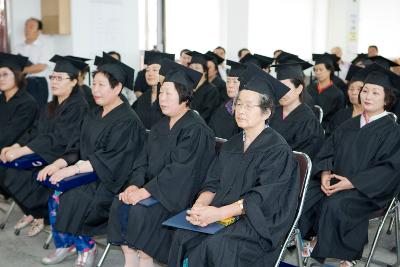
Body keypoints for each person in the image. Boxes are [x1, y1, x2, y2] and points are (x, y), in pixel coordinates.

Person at [168, 63, 300, 267]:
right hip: (224, 211)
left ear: (266, 112)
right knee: (182, 235)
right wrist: (200, 206)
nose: (241, 110)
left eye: (249, 106)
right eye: (238, 104)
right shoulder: (233, 144)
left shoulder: (277, 150)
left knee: (216, 246)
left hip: (257, 224)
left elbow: (262, 199)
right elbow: (213, 182)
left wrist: (218, 213)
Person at [37, 53, 145, 267]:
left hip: (111, 180)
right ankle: (66, 243)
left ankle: (86, 247)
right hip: (88, 173)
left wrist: (73, 170)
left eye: (101, 85)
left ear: (117, 88)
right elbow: (76, 145)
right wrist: (58, 165)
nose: (95, 90)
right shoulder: (94, 113)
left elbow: (113, 160)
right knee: (56, 191)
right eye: (93, 84)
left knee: (72, 196)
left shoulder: (127, 121)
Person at [107, 59, 216, 266]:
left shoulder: (196, 130)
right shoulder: (159, 126)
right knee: (119, 202)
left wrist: (145, 192)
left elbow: (180, 172)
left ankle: (145, 260)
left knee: (141, 210)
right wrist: (134, 185)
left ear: (184, 96)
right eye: (161, 91)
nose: (162, 99)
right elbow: (142, 161)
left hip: (179, 195)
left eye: (168, 93)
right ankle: (130, 260)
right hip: (153, 190)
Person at [298, 63, 400, 267]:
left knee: (338, 203)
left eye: (375, 92)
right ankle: (311, 238)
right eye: (365, 91)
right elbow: (328, 151)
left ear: (387, 98)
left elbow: (389, 170)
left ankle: (348, 256)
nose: (367, 96)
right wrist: (326, 173)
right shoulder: (349, 125)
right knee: (309, 194)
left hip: (370, 189)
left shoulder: (392, 131)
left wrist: (352, 182)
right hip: (338, 181)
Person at [0, 55, 88, 237]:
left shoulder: (78, 106)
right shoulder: (51, 105)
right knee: (9, 170)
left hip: (65, 157)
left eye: (59, 78)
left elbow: (57, 139)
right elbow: (34, 131)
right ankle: (35, 213)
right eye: (52, 77)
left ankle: (40, 214)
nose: (54, 82)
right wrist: (15, 146)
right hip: (44, 152)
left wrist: (21, 152)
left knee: (15, 174)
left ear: (73, 82)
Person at [269, 54, 324, 159]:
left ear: (299, 89)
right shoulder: (272, 112)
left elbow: (302, 158)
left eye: (286, 88)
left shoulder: (308, 121)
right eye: (278, 87)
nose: (281, 92)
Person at [0, 53, 39, 198]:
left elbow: (10, 134)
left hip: (10, 153)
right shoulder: (1, 99)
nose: (1, 79)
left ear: (17, 75)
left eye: (5, 74)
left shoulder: (27, 103)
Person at [13, 18, 52, 113]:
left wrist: (21, 70)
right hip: (20, 83)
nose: (27, 29)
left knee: (37, 114)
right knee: (22, 113)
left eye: (31, 27)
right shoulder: (18, 47)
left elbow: (40, 67)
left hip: (37, 84)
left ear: (39, 31)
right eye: (26, 26)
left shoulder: (43, 47)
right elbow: (12, 65)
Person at [132, 51, 175, 129]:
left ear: (165, 72)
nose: (150, 73)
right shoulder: (144, 97)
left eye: (155, 70)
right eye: (147, 70)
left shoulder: (173, 97)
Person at [326, 65, 367, 135]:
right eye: (351, 89)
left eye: (359, 89)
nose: (354, 92)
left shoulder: (374, 118)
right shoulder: (340, 115)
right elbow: (329, 138)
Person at [208, 60, 245, 139]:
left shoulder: (247, 112)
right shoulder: (223, 108)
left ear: (245, 84)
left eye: (235, 82)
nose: (230, 85)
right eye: (228, 81)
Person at [307, 53, 345, 128]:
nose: (317, 72)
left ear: (329, 70)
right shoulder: (309, 89)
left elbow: (339, 117)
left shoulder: (337, 94)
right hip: (308, 128)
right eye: (315, 70)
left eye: (321, 69)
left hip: (327, 130)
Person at [187, 51, 220, 123]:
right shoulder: (186, 88)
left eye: (197, 68)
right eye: (191, 67)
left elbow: (208, 114)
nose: (193, 70)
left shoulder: (212, 90)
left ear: (204, 71)